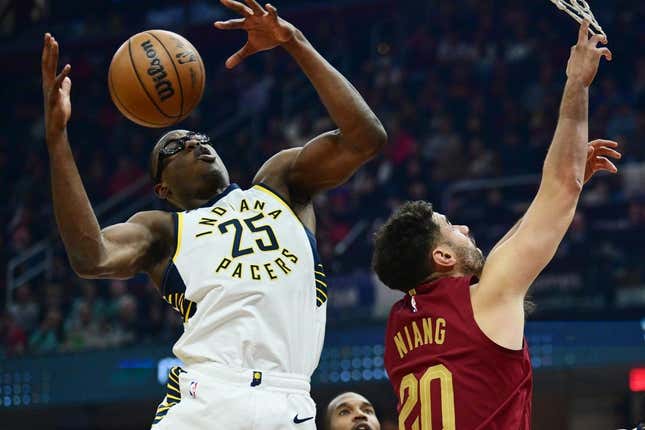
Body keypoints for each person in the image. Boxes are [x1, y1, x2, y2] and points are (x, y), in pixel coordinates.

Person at [41, 0, 386, 428]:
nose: (192, 143)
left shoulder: (280, 183)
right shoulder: (163, 230)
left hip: (291, 400)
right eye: (173, 147)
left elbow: (365, 138)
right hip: (209, 397)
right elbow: (89, 256)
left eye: (198, 135)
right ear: (162, 188)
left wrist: (294, 42)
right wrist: (57, 139)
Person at [372, 21, 617, 429]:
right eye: (451, 227)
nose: (465, 228)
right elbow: (561, 185)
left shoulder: (398, 331)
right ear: (443, 255)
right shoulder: (483, 300)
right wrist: (577, 83)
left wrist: (557, 191)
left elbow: (507, 252)